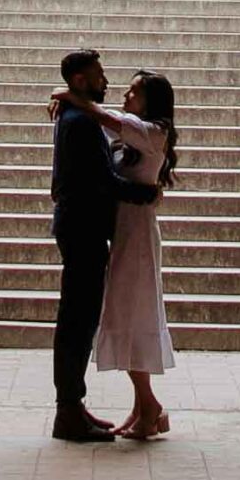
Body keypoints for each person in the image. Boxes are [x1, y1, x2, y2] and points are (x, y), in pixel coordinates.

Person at [52, 70, 179, 440]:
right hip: (121, 233)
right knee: (127, 314)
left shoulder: (153, 132)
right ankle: (144, 408)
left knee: (133, 314)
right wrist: (67, 104)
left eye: (134, 92)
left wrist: (70, 95)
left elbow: (106, 119)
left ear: (149, 100)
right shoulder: (135, 132)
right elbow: (96, 135)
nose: (124, 94)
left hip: (135, 238)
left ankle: (149, 406)